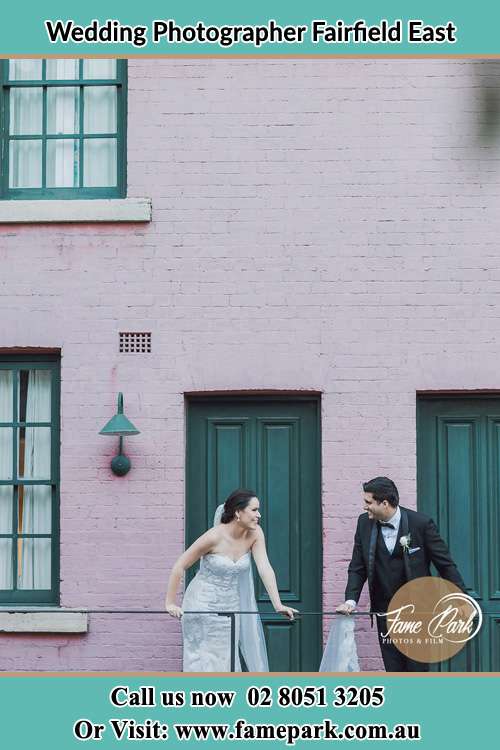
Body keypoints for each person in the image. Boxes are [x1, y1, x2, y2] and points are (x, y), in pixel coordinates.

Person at [335, 476, 467, 672]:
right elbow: (357, 567)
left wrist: (462, 600)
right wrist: (350, 601)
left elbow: (445, 565)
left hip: (419, 614)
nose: (365, 507)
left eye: (368, 502)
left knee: (417, 673)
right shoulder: (364, 524)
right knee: (394, 671)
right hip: (385, 613)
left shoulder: (421, 524)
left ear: (385, 503)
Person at [165, 488, 297, 671]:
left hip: (230, 605)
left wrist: (278, 604)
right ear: (237, 512)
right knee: (204, 660)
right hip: (202, 604)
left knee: (227, 658)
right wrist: (170, 603)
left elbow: (265, 568)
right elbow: (179, 566)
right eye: (254, 510)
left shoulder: (255, 534)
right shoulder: (213, 537)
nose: (259, 515)